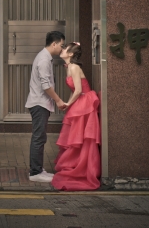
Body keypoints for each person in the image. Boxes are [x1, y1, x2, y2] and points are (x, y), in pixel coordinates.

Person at [51, 42, 101, 191]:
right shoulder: (69, 67)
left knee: (81, 138)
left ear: (71, 54)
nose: (62, 50)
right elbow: (74, 91)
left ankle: (83, 168)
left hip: (84, 102)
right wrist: (69, 104)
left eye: (65, 49)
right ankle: (77, 164)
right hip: (79, 102)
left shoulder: (74, 67)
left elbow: (79, 90)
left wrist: (68, 103)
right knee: (76, 138)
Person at [26, 30, 67, 183]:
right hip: (39, 103)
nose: (62, 49)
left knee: (40, 137)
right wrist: (58, 100)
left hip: (40, 103)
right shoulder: (44, 59)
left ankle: (38, 169)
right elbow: (46, 86)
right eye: (61, 45)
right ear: (54, 43)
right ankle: (35, 172)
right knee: (39, 137)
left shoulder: (44, 57)